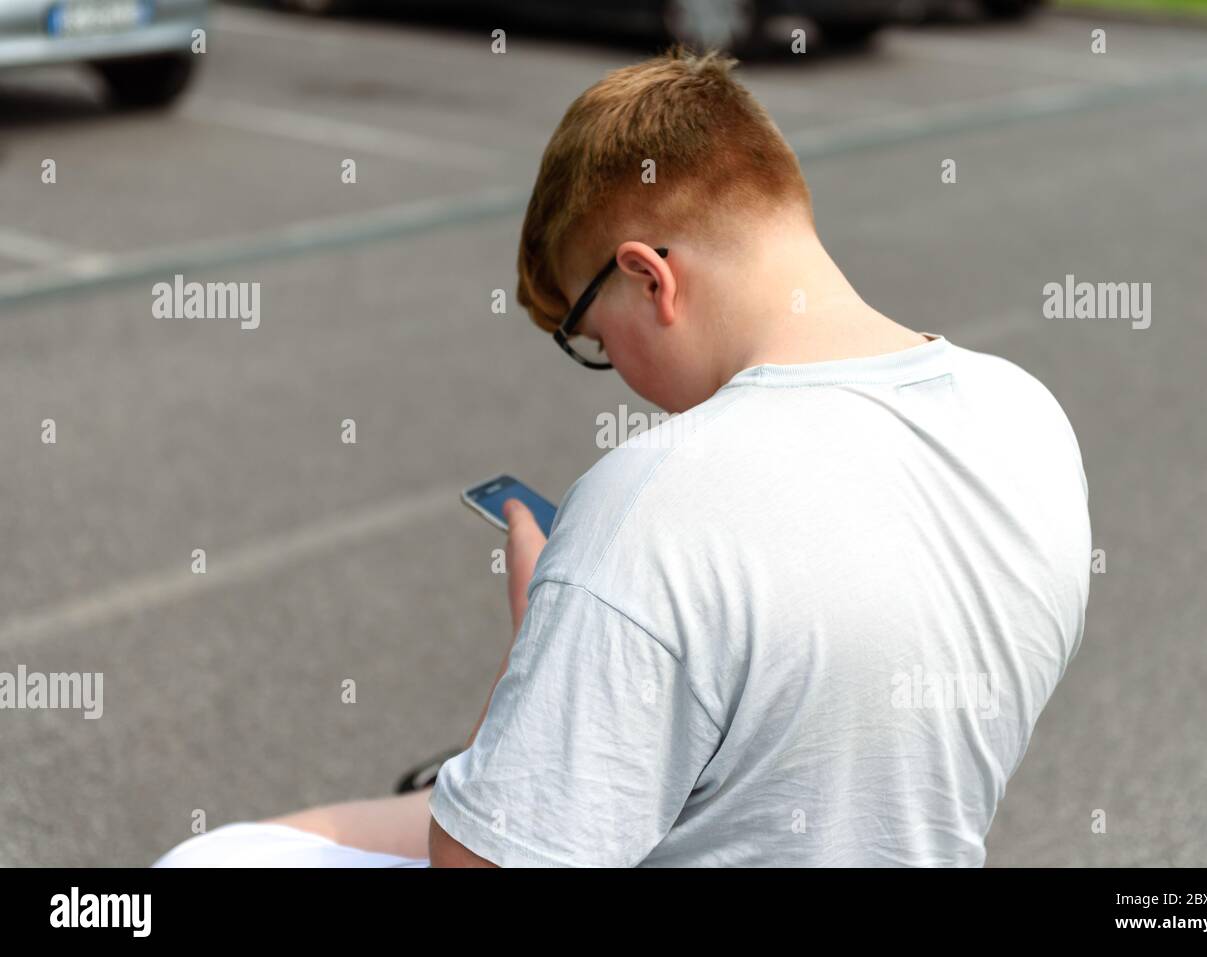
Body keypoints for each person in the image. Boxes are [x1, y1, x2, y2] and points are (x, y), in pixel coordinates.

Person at [154, 46, 1090, 868]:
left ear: (649, 277)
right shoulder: (1029, 417)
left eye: (596, 340)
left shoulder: (652, 504)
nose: (617, 377)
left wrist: (539, 649)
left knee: (208, 856)